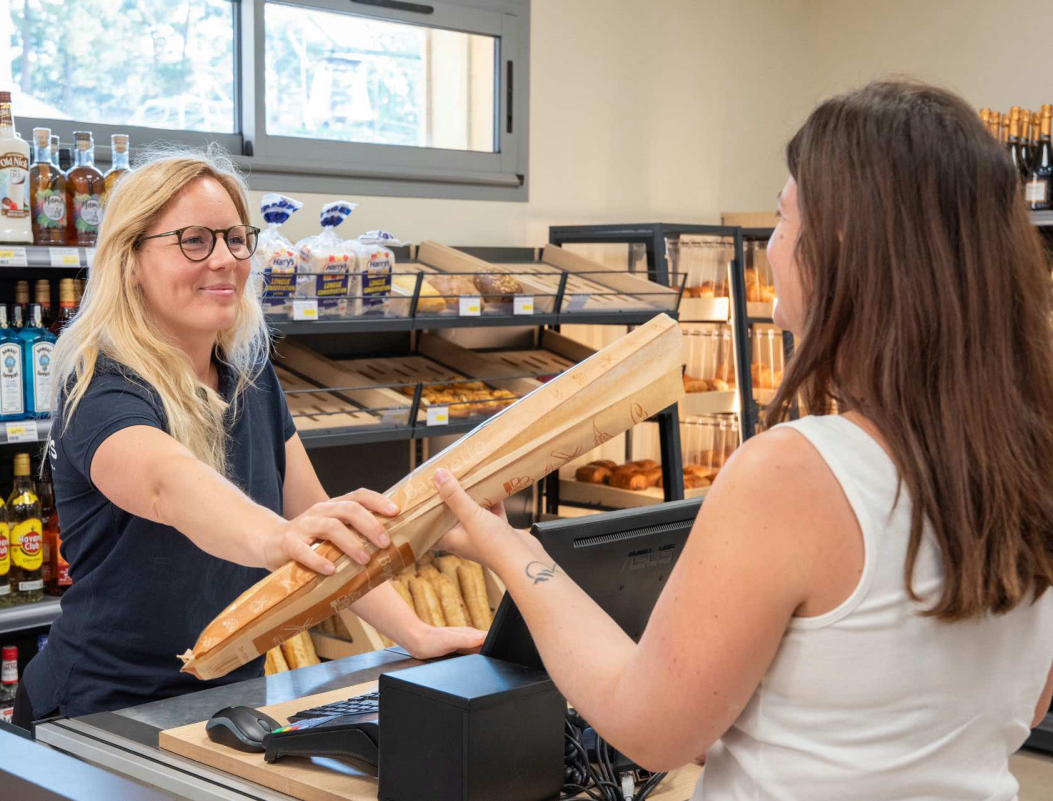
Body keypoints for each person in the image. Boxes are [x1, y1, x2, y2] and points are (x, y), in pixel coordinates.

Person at [434, 81, 1053, 800]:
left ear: (840, 249)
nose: (771, 246)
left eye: (785, 219)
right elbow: (1022, 703)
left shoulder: (796, 472)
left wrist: (513, 553)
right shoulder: (1032, 461)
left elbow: (650, 726)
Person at [15, 150, 482, 728]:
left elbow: (317, 518)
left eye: (236, 239)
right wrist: (276, 540)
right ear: (130, 260)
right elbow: (167, 485)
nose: (224, 260)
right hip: (105, 707)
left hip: (230, 695)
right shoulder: (101, 389)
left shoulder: (250, 379)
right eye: (193, 241)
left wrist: (415, 632)